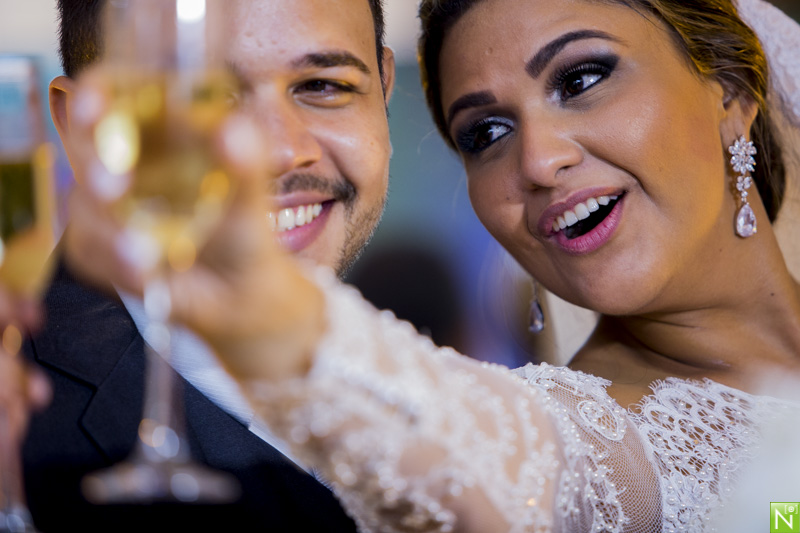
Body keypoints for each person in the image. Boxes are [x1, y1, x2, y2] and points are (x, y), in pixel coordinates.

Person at [62, 0, 800, 532]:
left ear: (732, 92)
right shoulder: (588, 441)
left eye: (580, 79)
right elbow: (473, 453)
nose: (539, 161)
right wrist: (259, 311)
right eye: (486, 132)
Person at [19, 0, 395, 530]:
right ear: (83, 131)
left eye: (322, 86)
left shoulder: (432, 390)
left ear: (383, 87)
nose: (281, 151)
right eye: (204, 96)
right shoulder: (20, 439)